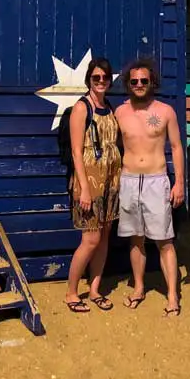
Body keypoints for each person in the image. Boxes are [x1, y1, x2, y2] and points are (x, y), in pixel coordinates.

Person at [114, 57, 185, 316]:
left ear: (152, 81)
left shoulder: (165, 111)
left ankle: (172, 295)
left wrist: (179, 183)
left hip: (157, 181)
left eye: (144, 80)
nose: (139, 84)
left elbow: (177, 147)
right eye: (134, 81)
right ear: (128, 84)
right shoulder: (120, 112)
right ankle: (138, 287)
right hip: (129, 180)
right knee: (136, 239)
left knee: (164, 240)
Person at [64, 57, 122, 313]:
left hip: (110, 179)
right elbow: (77, 151)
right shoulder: (81, 108)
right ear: (89, 79)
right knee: (90, 238)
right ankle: (72, 292)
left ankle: (95, 288)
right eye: (96, 77)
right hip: (89, 181)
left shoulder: (108, 106)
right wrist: (84, 188)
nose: (101, 82)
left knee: (105, 236)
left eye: (105, 78)